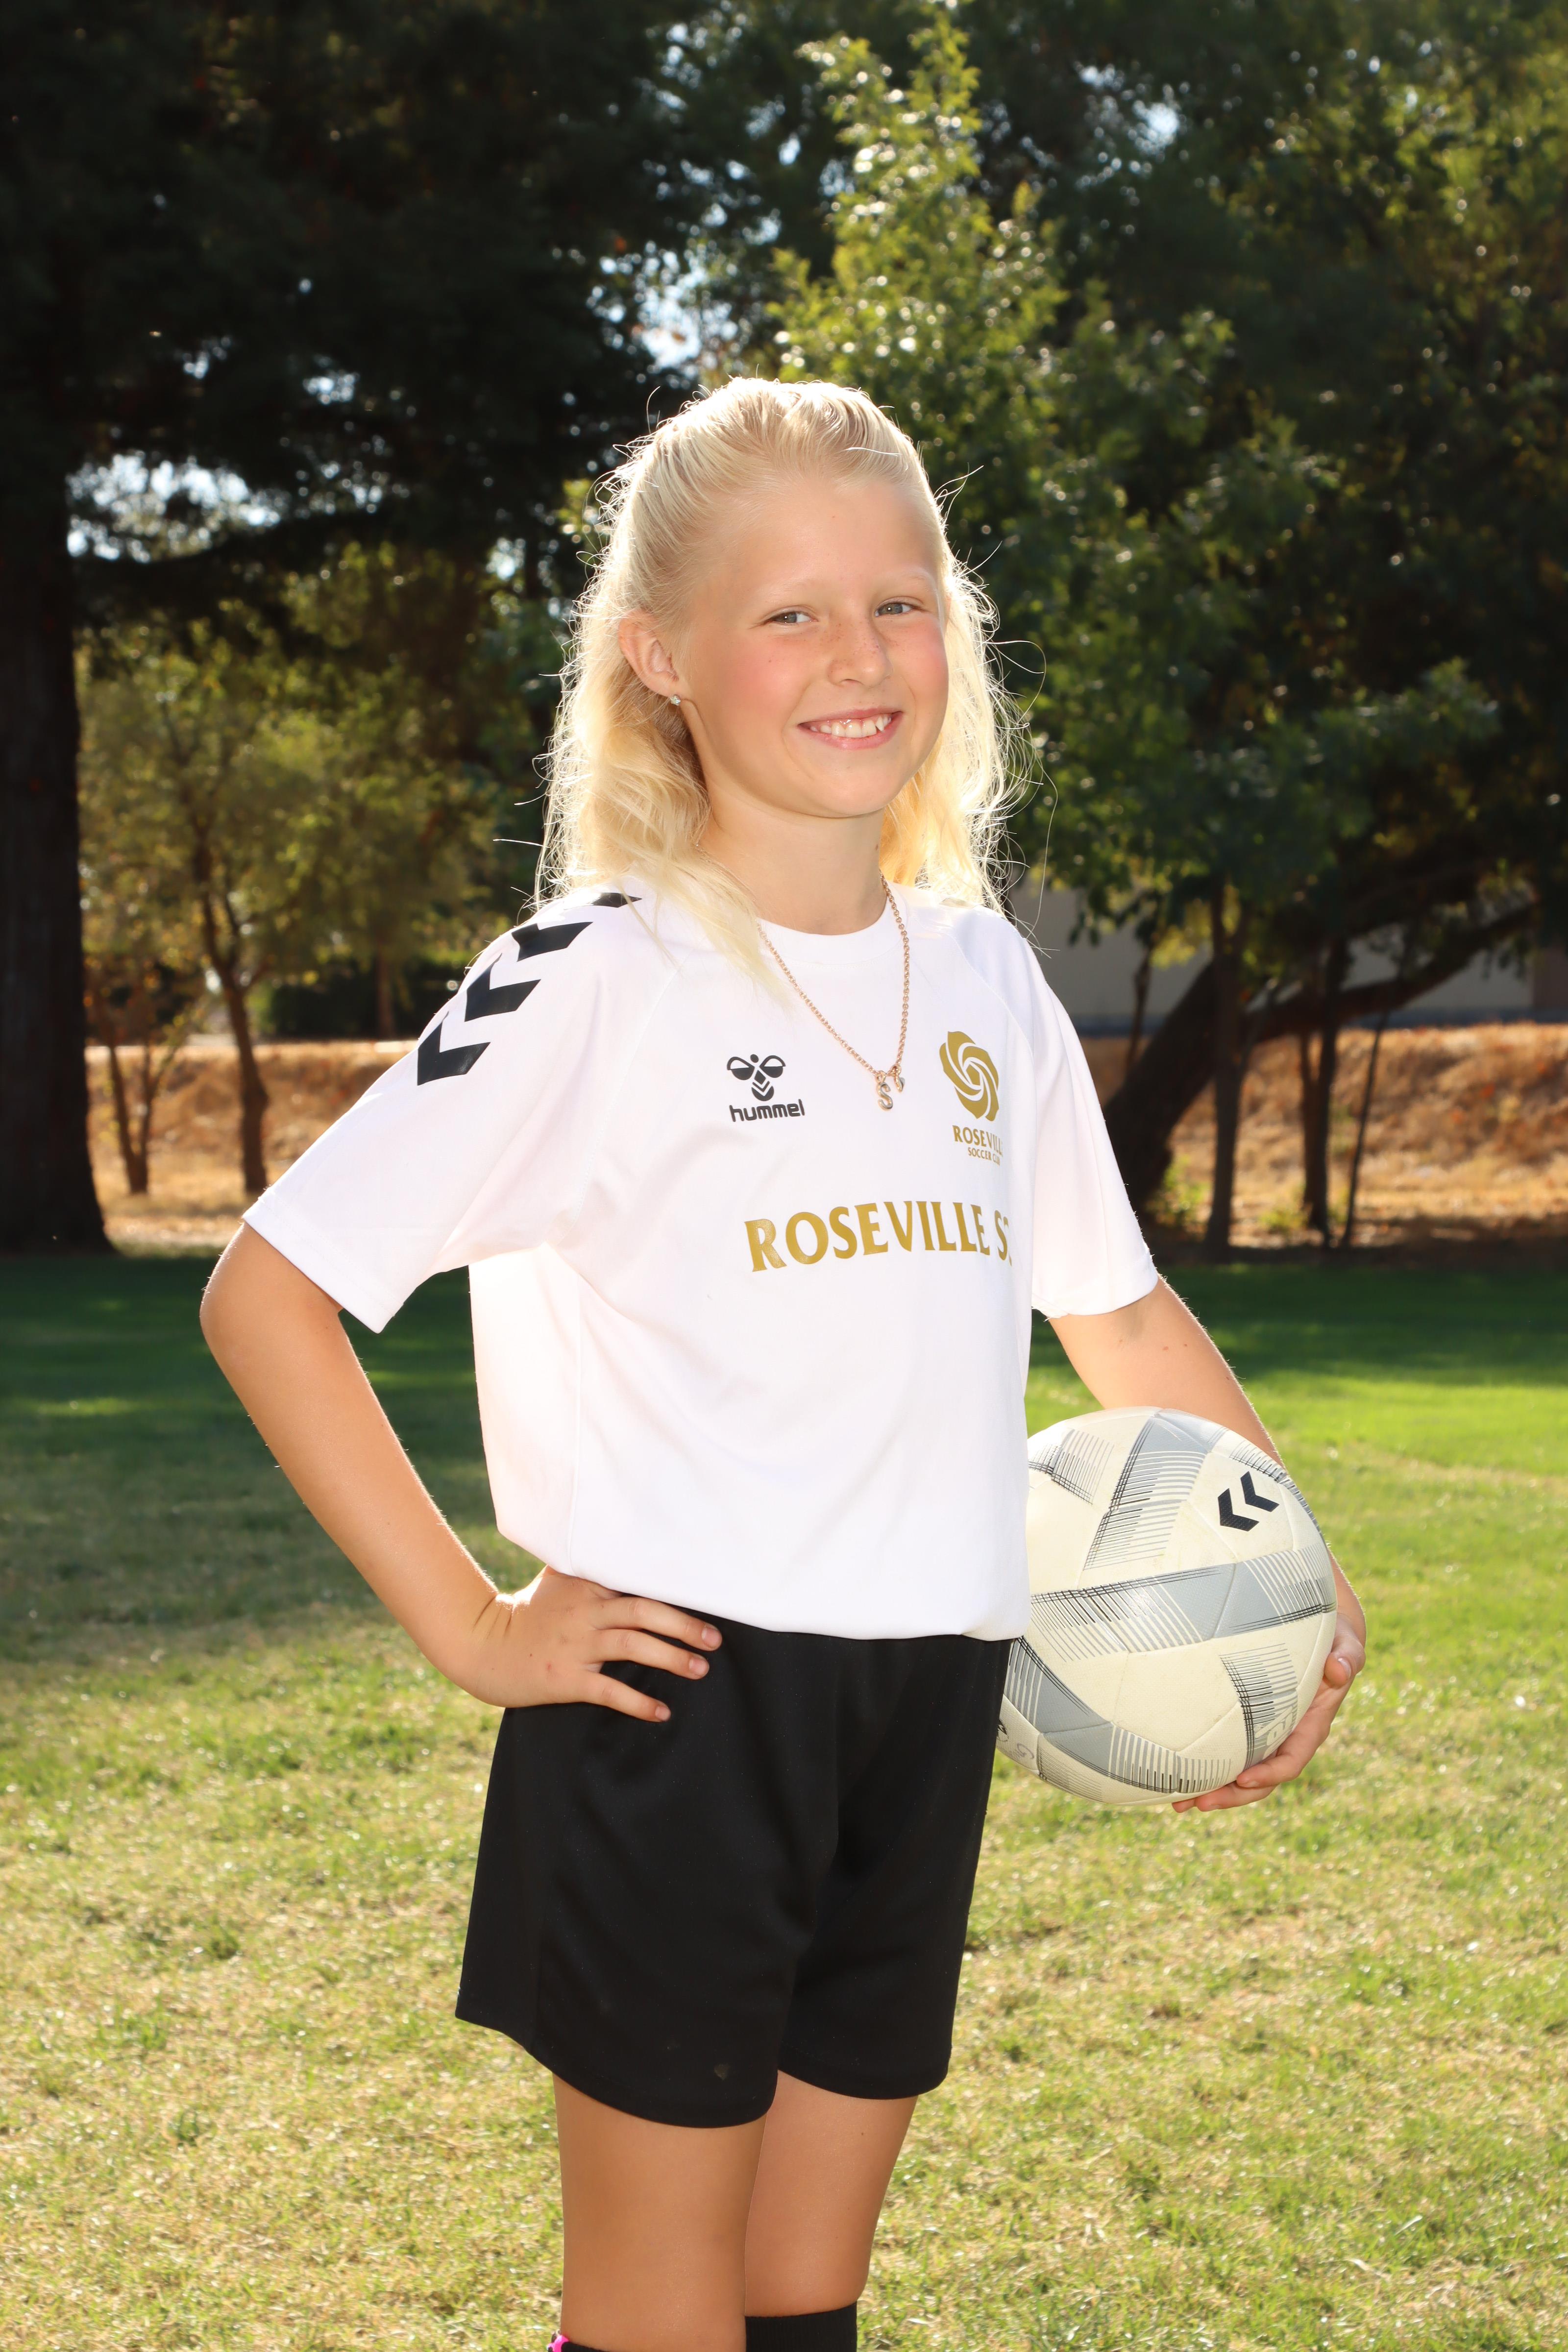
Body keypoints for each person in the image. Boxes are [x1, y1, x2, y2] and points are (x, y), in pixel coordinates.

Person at [200, 378, 1366, 2352]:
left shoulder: (986, 977)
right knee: (663, 2311)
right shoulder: (595, 972)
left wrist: (1294, 1586)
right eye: (789, 613)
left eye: (898, 603)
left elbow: (1115, 1315)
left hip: (932, 1691)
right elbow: (268, 1293)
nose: (858, 656)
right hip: (680, 1708)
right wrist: (476, 1629)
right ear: (660, 656)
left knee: (800, 2299)